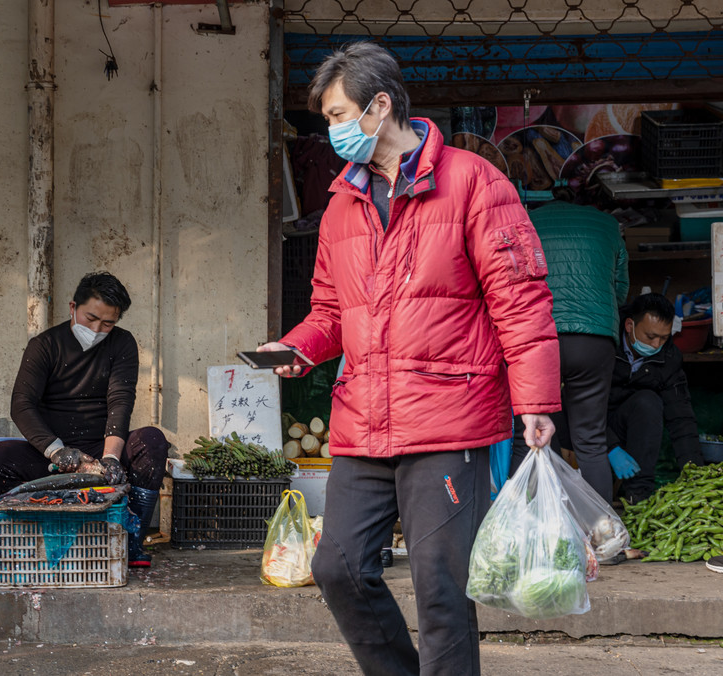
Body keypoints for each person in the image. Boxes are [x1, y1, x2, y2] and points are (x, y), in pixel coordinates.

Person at [260, 42, 559, 674]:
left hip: (448, 419)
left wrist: (535, 402)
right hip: (362, 422)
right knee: (337, 568)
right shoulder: (344, 202)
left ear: (381, 106)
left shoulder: (474, 182)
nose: (332, 131)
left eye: (340, 116)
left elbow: (521, 300)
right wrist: (299, 348)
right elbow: (330, 311)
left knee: (441, 586)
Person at [0, 272, 169, 567]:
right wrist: (59, 451)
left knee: (152, 440)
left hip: (104, 449)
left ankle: (129, 541)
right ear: (72, 307)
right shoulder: (44, 345)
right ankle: (36, 538)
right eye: (91, 318)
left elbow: (120, 400)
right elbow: (22, 405)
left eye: (108, 323)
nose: (97, 329)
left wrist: (111, 459)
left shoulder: (122, 344)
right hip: (53, 455)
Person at [507, 193, 629, 504]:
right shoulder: (608, 224)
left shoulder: (525, 221)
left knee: (529, 435)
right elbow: (621, 288)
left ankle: (537, 529)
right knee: (591, 439)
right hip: (594, 339)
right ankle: (602, 534)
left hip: (538, 337)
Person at [608, 293, 704, 505]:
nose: (656, 344)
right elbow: (581, 404)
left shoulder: (668, 358)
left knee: (648, 401)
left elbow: (681, 418)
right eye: (650, 336)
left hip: (632, 427)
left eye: (663, 338)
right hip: (591, 427)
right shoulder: (605, 343)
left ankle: (638, 497)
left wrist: (696, 474)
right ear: (629, 325)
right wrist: (610, 446)